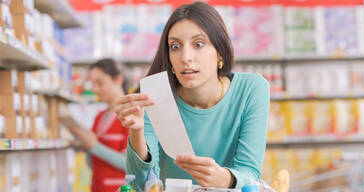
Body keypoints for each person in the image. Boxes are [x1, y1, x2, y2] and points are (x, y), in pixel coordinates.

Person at [114, 2, 270, 189]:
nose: (185, 57)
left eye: (198, 44)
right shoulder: (155, 95)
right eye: (175, 46)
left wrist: (225, 178)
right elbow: (142, 181)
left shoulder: (251, 89)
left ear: (220, 53)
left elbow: (250, 174)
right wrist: (136, 131)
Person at [67, 58, 129, 192]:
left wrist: (94, 146)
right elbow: (92, 164)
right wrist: (85, 144)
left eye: (99, 83)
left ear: (118, 80)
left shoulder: (131, 115)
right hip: (97, 187)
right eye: (92, 84)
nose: (95, 89)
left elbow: (130, 164)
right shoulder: (99, 117)